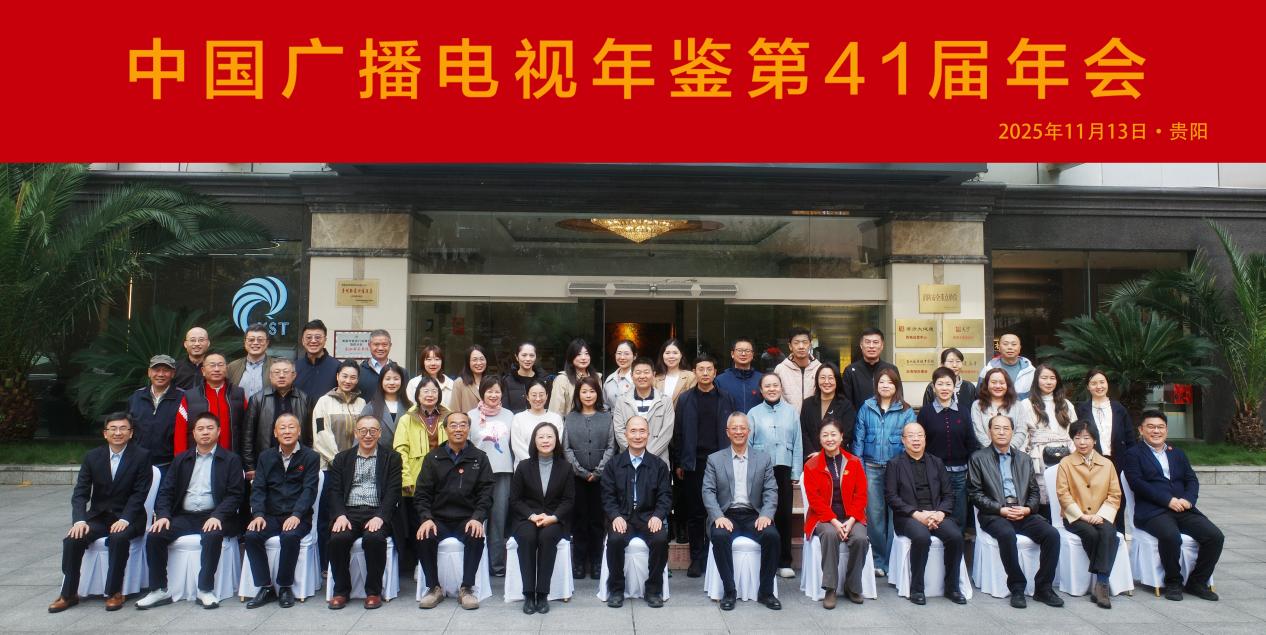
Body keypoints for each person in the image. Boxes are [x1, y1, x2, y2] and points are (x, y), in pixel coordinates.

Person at [136, 412, 244, 610]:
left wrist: (217, 516)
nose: (205, 432)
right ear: (193, 433)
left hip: (215, 516)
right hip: (185, 516)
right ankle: (158, 589)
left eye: (210, 428)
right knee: (155, 535)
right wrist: (163, 515)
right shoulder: (181, 459)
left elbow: (235, 495)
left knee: (212, 535)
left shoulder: (231, 460)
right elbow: (166, 491)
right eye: (200, 429)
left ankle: (205, 590)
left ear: (219, 431)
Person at [49, 413, 153, 614]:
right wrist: (79, 521)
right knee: (72, 539)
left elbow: (140, 494)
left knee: (118, 538)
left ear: (131, 433)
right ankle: (69, 594)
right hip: (99, 516)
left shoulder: (142, 456)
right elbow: (80, 493)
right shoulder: (92, 456)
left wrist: (125, 519)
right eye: (113, 428)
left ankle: (114, 592)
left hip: (130, 518)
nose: (118, 433)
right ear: (105, 433)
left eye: (123, 428)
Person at [1121, 410, 1223, 602]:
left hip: (1183, 508)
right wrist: (1167, 500)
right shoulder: (1133, 454)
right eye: (1151, 427)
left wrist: (1188, 499)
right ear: (1141, 430)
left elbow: (1191, 479)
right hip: (1152, 512)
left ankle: (1197, 582)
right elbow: (1137, 483)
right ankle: (1173, 582)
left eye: (1160, 427)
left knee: (1215, 536)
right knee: (1170, 536)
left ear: (1166, 430)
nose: (1156, 431)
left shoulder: (1177, 453)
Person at [967, 414, 1063, 609]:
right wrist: (1000, 510)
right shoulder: (978, 458)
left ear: (1012, 432)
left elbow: (1034, 491)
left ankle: (1043, 587)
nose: (1002, 432)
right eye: (997, 428)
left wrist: (1027, 509)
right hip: (994, 514)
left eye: (1006, 428)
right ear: (989, 432)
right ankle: (1017, 587)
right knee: (1007, 534)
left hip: (1023, 512)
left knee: (1052, 535)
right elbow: (974, 494)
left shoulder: (1024, 459)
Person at [701, 413, 782, 611]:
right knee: (720, 536)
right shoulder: (715, 459)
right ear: (727, 432)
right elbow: (708, 491)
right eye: (734, 428)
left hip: (754, 514)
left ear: (749, 431)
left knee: (772, 536)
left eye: (742, 428)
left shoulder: (762, 459)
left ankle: (766, 592)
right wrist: (718, 517)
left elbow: (771, 490)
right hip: (727, 514)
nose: (738, 431)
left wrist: (766, 514)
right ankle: (729, 591)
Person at [415, 412, 494, 611]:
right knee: (424, 535)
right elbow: (422, 493)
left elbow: (486, 493)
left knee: (476, 534)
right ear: (445, 429)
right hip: (438, 519)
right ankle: (434, 588)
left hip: (466, 519)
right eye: (453, 425)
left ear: (468, 428)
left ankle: (466, 589)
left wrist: (477, 518)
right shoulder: (433, 458)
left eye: (462, 425)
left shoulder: (479, 458)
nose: (458, 429)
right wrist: (426, 518)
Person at [243, 413, 320, 609]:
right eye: (282, 428)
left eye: (291, 427)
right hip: (270, 515)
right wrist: (258, 514)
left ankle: (285, 586)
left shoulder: (310, 457)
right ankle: (266, 587)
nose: (287, 431)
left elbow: (309, 490)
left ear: (299, 431)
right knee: (251, 536)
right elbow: (258, 488)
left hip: (299, 517)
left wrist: (297, 514)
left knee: (290, 536)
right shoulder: (266, 457)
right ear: (275, 433)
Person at [885, 423, 967, 606]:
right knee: (922, 537)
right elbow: (891, 497)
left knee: (955, 536)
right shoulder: (894, 464)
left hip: (936, 513)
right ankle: (917, 588)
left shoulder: (936, 462)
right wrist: (916, 514)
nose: (916, 439)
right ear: (903, 440)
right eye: (911, 436)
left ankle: (952, 587)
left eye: (919, 435)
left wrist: (940, 513)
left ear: (925, 439)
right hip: (908, 516)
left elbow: (949, 494)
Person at [326, 415, 402, 610]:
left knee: (374, 539)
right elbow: (334, 491)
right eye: (363, 431)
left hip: (376, 511)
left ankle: (373, 592)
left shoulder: (392, 458)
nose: (368, 435)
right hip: (349, 512)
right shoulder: (342, 458)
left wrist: (381, 516)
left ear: (380, 433)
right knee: (338, 539)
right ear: (356, 433)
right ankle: (341, 591)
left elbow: (393, 491)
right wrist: (340, 515)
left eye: (373, 431)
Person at [671, 353, 734, 577]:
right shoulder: (685, 399)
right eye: (701, 369)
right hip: (694, 463)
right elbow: (678, 432)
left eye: (709, 369)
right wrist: (679, 461)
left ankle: (715, 556)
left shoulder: (726, 398)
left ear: (715, 373)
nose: (705, 373)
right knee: (696, 512)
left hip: (720, 461)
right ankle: (697, 558)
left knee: (718, 510)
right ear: (694, 373)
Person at [601, 416, 672, 608]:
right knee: (615, 539)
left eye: (642, 431)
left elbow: (665, 496)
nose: (637, 436)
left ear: (648, 434)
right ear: (625, 434)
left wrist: (658, 515)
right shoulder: (613, 464)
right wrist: (615, 516)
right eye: (633, 431)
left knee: (660, 539)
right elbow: (607, 496)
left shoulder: (659, 465)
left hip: (648, 517)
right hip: (623, 517)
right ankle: (616, 589)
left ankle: (653, 590)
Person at [850, 367, 915, 576]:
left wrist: (904, 469)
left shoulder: (906, 411)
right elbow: (858, 440)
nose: (885, 385)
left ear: (896, 385)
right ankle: (878, 559)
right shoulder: (866, 407)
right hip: (871, 467)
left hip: (896, 469)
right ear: (876, 385)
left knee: (895, 514)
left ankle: (892, 560)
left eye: (890, 382)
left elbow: (910, 442)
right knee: (875, 515)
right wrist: (859, 469)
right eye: (881, 382)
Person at [1055, 420, 1123, 609]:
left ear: (1094, 440)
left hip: (1102, 515)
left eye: (1086, 438)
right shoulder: (1066, 463)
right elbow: (1063, 494)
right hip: (1075, 517)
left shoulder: (1107, 464)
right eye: (1077, 438)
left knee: (1109, 533)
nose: (1082, 442)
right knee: (1093, 534)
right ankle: (1103, 583)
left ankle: (1101, 584)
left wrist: (1102, 515)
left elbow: (1115, 494)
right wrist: (1082, 516)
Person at [802, 418, 869, 609]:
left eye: (833, 434)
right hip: (823, 517)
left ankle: (852, 586)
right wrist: (834, 521)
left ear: (841, 437)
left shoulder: (854, 462)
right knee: (830, 535)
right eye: (825, 435)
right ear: (819, 438)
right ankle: (830, 588)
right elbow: (815, 500)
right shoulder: (812, 465)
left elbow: (861, 495)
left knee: (860, 538)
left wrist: (851, 520)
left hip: (851, 517)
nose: (829, 439)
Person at [510, 422, 575, 614]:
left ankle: (543, 594)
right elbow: (515, 500)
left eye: (549, 436)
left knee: (547, 537)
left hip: (554, 519)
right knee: (527, 537)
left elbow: (569, 500)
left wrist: (554, 517)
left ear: (556, 440)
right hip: (527, 518)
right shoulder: (523, 466)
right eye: (541, 437)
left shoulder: (565, 467)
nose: (545, 440)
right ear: (534, 441)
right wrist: (531, 516)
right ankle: (529, 594)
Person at [392, 376, 451, 578]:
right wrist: (406, 478)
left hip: (444, 477)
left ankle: (439, 562)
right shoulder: (407, 419)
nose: (430, 395)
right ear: (417, 395)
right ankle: (420, 561)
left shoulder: (448, 416)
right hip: (417, 476)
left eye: (434, 391)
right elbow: (400, 449)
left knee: (441, 517)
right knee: (419, 521)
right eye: (425, 391)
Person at [747, 373, 802, 578]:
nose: (772, 389)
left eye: (775, 385)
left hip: (784, 467)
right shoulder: (753, 413)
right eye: (767, 386)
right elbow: (748, 443)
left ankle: (784, 561)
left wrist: (796, 470)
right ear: (761, 390)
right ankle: (764, 558)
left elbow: (798, 442)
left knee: (784, 515)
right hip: (760, 468)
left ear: (781, 387)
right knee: (761, 512)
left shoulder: (791, 412)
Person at [562, 376, 614, 580]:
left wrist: (599, 471)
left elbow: (611, 446)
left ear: (598, 394)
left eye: (592, 391)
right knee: (579, 520)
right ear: (578, 394)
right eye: (584, 391)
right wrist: (581, 471)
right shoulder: (570, 418)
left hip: (601, 478)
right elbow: (566, 448)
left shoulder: (606, 417)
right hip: (577, 478)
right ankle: (578, 562)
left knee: (597, 521)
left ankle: (597, 562)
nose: (588, 395)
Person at [917, 367, 981, 531]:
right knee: (935, 510)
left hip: (960, 472)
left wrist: (971, 470)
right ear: (933, 387)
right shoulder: (925, 412)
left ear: (954, 387)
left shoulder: (963, 411)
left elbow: (971, 442)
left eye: (948, 384)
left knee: (959, 511)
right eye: (940, 384)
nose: (944, 388)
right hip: (933, 472)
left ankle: (958, 543)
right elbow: (920, 444)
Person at [469, 375, 514, 576]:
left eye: (497, 391)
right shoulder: (471, 416)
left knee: (498, 520)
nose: (493, 395)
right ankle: (476, 564)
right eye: (489, 391)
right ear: (482, 393)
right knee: (478, 518)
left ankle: (496, 565)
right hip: (476, 474)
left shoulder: (510, 416)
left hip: (503, 472)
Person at [1019, 364, 1076, 510]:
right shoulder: (1026, 404)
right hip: (1038, 454)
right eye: (1044, 378)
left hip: (1066, 451)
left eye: (1052, 378)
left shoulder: (1066, 404)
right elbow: (1023, 435)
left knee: (1066, 492)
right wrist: (1023, 458)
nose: (1049, 382)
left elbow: (1074, 431)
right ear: (1036, 380)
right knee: (1041, 494)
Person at [243, 358, 312, 476]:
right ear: (270, 376)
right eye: (277, 372)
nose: (281, 375)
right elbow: (247, 436)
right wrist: (250, 466)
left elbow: (310, 435)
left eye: (286, 372)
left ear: (294, 375)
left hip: (298, 462)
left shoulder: (305, 399)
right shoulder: (257, 399)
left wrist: (308, 461)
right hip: (265, 461)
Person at [176, 352, 247, 456]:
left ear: (226, 369)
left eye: (220, 365)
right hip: (198, 457)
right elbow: (180, 431)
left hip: (231, 456)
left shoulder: (238, 393)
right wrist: (181, 459)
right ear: (203, 371)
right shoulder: (189, 396)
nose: (216, 369)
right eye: (212, 365)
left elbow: (247, 428)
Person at [126, 354, 185, 469]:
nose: (161, 374)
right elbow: (127, 428)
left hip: (169, 464)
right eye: (156, 370)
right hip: (138, 463)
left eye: (166, 370)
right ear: (149, 372)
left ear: (173, 373)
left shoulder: (183, 398)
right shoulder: (136, 397)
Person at [612, 357, 675, 461]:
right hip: (629, 461)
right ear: (632, 376)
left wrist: (646, 457)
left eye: (646, 372)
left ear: (653, 375)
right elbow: (619, 431)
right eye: (638, 372)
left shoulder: (665, 401)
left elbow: (666, 434)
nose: (642, 376)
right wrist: (635, 454)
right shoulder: (622, 401)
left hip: (658, 461)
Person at [313, 360, 366, 470]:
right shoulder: (324, 402)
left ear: (357, 380)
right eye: (344, 376)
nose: (348, 381)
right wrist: (337, 461)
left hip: (356, 465)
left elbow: (364, 434)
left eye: (353, 377)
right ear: (337, 376)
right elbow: (321, 434)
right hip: (329, 465)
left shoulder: (361, 403)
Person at [1075, 369, 1135, 461]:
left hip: (1119, 460)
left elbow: (1129, 437)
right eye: (1094, 383)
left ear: (1107, 384)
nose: (1099, 386)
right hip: (1091, 460)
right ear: (1088, 387)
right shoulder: (1082, 410)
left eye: (1102, 382)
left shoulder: (1119, 408)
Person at [800, 363, 856, 460]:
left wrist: (824, 454)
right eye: (822, 378)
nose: (826, 382)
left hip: (836, 458)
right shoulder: (807, 404)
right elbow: (803, 432)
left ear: (837, 380)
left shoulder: (846, 405)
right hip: (811, 459)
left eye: (831, 378)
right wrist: (813, 454)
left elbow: (846, 436)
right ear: (817, 380)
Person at [971, 368, 1029, 451]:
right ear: (987, 384)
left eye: (1002, 383)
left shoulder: (1018, 405)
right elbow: (978, 432)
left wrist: (1008, 450)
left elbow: (1021, 431)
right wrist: (993, 451)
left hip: (1014, 453)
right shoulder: (977, 405)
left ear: (1007, 385)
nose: (998, 386)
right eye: (993, 382)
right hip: (986, 454)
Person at [511, 381, 564, 469]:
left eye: (541, 395)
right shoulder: (518, 418)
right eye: (534, 395)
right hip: (525, 468)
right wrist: (535, 463)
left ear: (547, 396)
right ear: (527, 397)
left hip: (550, 467)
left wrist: (544, 462)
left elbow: (557, 443)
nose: (538, 398)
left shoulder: (556, 418)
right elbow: (518, 447)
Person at [841, 327, 898, 407]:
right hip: (858, 415)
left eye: (875, 342)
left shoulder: (891, 369)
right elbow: (845, 403)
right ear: (861, 345)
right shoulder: (850, 371)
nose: (871, 346)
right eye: (867, 342)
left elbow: (898, 397)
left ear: (882, 345)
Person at [360, 362, 411, 449]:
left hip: (404, 455)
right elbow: (360, 435)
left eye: (396, 379)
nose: (392, 383)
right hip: (378, 455)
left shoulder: (410, 407)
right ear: (381, 381)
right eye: (387, 379)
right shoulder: (370, 407)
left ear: (402, 381)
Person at [773, 326, 822, 413]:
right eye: (796, 343)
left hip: (813, 419)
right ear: (790, 346)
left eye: (805, 342)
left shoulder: (819, 368)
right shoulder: (780, 369)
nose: (801, 346)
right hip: (787, 419)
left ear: (810, 345)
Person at [549, 338, 600, 417]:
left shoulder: (597, 378)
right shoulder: (562, 379)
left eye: (586, 353)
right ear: (571, 357)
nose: (583, 357)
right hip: (570, 423)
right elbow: (555, 412)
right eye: (579, 354)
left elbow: (600, 405)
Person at [978, 332, 1035, 400]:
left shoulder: (1030, 370)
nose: (1010, 347)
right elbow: (980, 394)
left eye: (1014, 344)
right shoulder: (988, 370)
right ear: (999, 348)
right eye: (1005, 344)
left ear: (1020, 348)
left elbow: (1036, 395)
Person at [357, 329, 410, 402]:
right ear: (369, 345)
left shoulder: (402, 372)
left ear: (390, 345)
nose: (380, 348)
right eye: (376, 344)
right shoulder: (359, 372)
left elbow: (405, 398)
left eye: (384, 345)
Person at [294, 319, 341, 399]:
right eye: (309, 337)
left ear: (325, 340)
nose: (313, 341)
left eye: (318, 337)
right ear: (303, 341)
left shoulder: (337, 367)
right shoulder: (294, 367)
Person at [715, 337, 763, 413]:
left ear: (752, 355)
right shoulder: (720, 380)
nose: (743, 354)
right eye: (739, 350)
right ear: (732, 354)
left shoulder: (762, 379)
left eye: (747, 351)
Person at [227, 323, 272, 401]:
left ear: (267, 342)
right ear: (245, 342)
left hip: (267, 408)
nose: (255, 343)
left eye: (260, 340)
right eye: (251, 340)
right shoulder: (232, 367)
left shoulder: (276, 366)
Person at [405, 344, 455, 411]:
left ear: (442, 362)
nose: (433, 363)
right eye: (429, 359)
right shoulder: (413, 383)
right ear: (423, 362)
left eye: (437, 359)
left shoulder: (450, 384)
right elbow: (410, 409)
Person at [503, 341, 549, 413]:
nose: (528, 359)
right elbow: (505, 409)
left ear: (536, 357)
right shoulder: (507, 381)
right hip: (515, 419)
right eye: (524, 355)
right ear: (516, 357)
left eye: (531, 355)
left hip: (540, 419)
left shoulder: (544, 379)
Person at [654, 337, 696, 408]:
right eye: (667, 353)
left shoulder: (691, 376)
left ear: (681, 355)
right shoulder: (655, 377)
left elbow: (692, 403)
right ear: (662, 355)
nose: (671, 356)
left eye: (675, 353)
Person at [450, 345, 489, 416]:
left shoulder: (490, 382)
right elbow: (455, 412)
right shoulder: (459, 383)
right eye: (474, 360)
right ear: (468, 362)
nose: (479, 363)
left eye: (482, 359)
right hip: (468, 422)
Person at [602, 340, 637, 410]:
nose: (622, 357)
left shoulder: (639, 378)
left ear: (634, 356)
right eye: (619, 353)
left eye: (626, 354)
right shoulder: (610, 379)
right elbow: (605, 405)